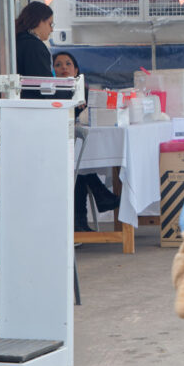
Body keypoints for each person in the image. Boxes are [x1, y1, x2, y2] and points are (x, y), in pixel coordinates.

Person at [52, 52, 120, 232]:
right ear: (52, 70)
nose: (64, 68)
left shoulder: (85, 91)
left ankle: (81, 222)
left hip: (77, 148)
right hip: (55, 149)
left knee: (79, 166)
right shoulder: (49, 92)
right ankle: (98, 199)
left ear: (76, 70)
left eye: (68, 64)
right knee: (78, 166)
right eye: (58, 65)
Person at [14, 1, 55, 78]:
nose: (52, 29)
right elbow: (43, 83)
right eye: (50, 24)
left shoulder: (15, 40)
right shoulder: (35, 47)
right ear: (39, 21)